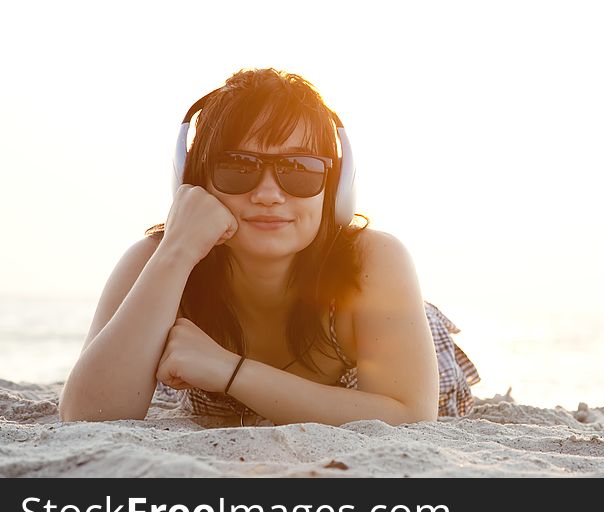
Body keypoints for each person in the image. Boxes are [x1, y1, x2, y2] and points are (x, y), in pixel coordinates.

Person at [59, 68, 480, 427]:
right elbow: (87, 416)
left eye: (298, 169)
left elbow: (408, 414)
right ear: (193, 180)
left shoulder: (372, 262)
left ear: (335, 188)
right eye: (238, 166)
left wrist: (228, 370)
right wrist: (177, 253)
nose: (268, 194)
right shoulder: (157, 262)